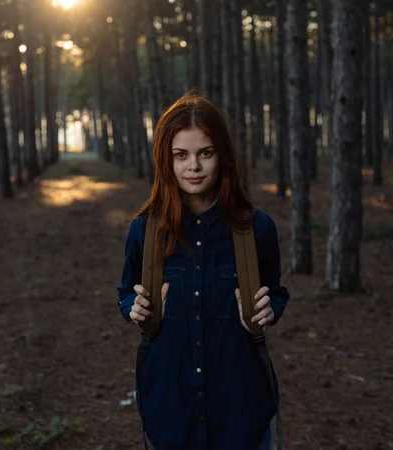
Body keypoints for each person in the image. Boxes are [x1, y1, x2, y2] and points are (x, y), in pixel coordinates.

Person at [117, 93, 290, 450]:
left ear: (222, 155)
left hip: (240, 411)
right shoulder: (144, 232)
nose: (193, 167)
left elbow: (276, 291)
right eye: (181, 155)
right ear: (166, 159)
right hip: (171, 412)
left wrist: (269, 308)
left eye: (205, 153)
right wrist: (132, 309)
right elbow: (125, 293)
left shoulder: (257, 230)